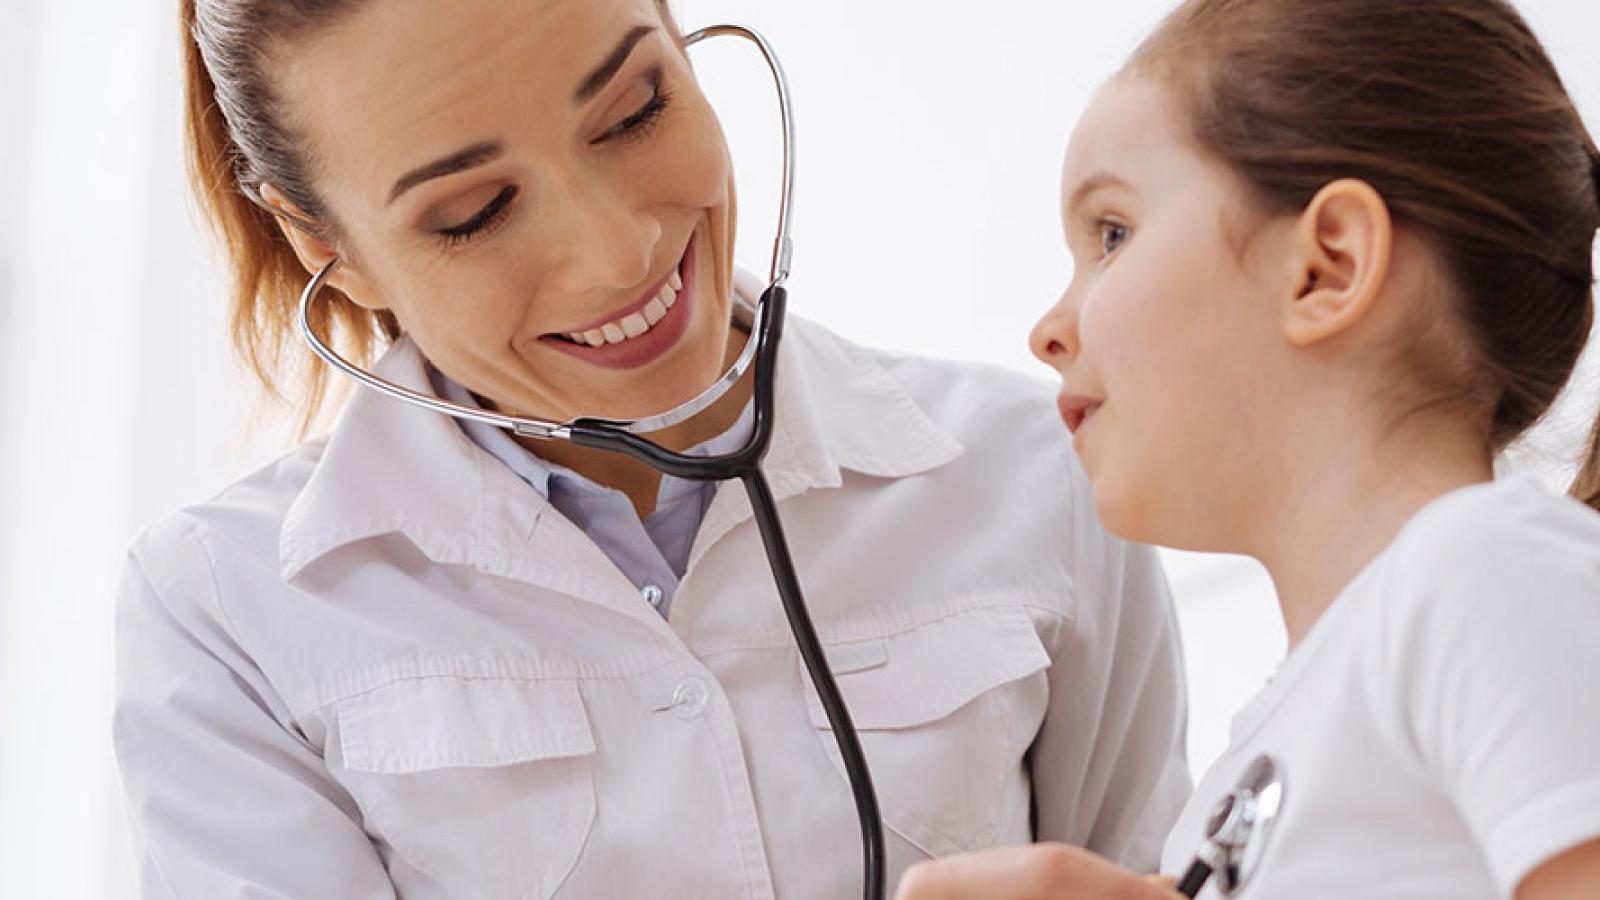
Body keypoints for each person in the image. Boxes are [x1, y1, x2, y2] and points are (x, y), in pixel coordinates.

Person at [111, 1, 1192, 897]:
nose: (617, 250)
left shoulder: (1031, 468)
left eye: (633, 111)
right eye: (475, 211)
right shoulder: (226, 614)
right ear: (324, 248)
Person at [896, 0, 1600, 897]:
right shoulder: (1237, 779)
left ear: (1327, 268)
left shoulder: (1486, 578)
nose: (1048, 330)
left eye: (1111, 234)